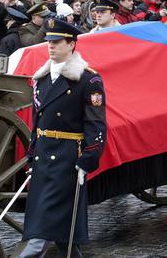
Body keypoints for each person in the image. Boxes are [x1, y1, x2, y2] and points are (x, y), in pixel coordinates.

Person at [19, 18, 107, 258]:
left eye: (57, 42)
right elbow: (38, 122)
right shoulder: (41, 79)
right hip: (44, 154)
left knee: (45, 224)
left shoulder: (88, 80)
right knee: (61, 229)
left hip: (68, 157)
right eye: (49, 42)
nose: (51, 46)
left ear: (72, 45)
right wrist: (32, 153)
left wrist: (89, 157)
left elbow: (96, 122)